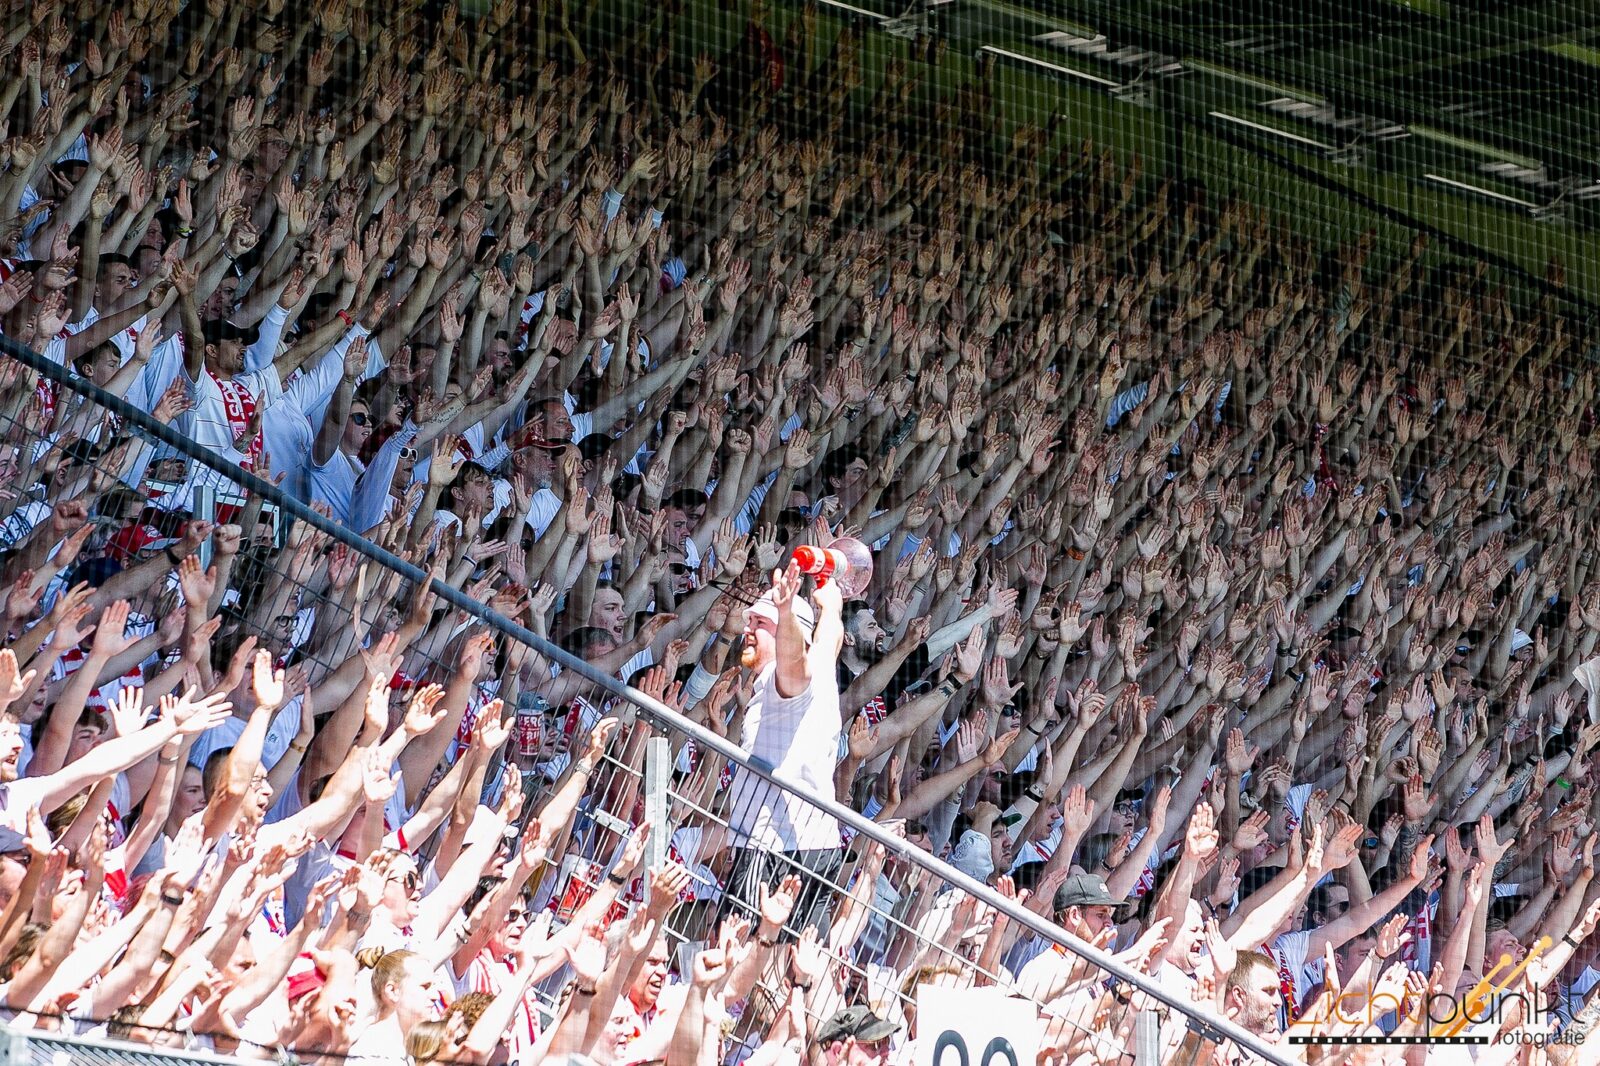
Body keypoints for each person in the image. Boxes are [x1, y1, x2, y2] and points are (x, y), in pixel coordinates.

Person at [723, 560, 846, 940]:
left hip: (774, 847)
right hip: (817, 846)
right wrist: (833, 604)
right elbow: (829, 638)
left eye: (761, 625)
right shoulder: (823, 666)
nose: (748, 630)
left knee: (740, 953)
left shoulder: (787, 683)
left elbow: (793, 662)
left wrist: (785, 611)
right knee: (797, 965)